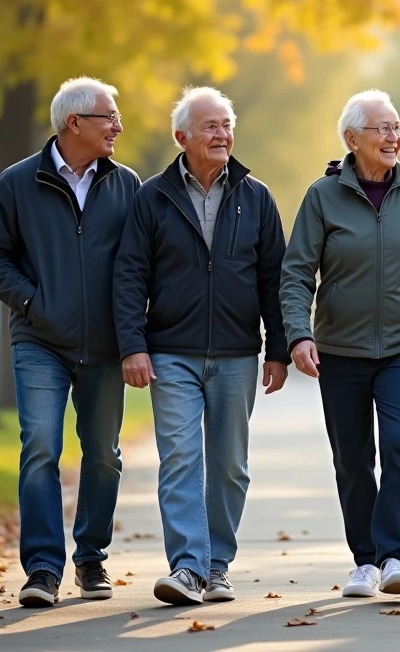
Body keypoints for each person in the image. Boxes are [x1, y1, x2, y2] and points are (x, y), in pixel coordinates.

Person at [113, 86, 289, 606]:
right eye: (210, 126)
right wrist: (133, 345)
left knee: (230, 465)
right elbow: (129, 277)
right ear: (181, 137)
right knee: (181, 460)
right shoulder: (152, 197)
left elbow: (275, 277)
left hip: (237, 353)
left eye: (226, 124)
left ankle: (218, 566)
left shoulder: (255, 196)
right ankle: (188, 566)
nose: (221, 134)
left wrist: (277, 349)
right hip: (170, 352)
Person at [0, 76, 140, 608]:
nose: (118, 126)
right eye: (108, 117)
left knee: (103, 456)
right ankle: (43, 568)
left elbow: (141, 262)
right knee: (41, 447)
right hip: (39, 341)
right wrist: (32, 303)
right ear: (75, 123)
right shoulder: (19, 182)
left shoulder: (127, 183)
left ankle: (91, 559)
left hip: (107, 345)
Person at [280, 89, 400, 599]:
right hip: (340, 350)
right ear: (352, 139)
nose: (393, 136)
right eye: (382, 128)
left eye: (398, 127)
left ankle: (393, 555)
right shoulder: (321, 196)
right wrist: (298, 334)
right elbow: (296, 273)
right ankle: (364, 561)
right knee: (352, 458)